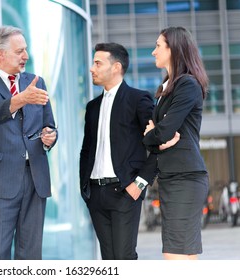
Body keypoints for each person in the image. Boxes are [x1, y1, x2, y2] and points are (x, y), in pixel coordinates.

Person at [0, 25, 57, 260]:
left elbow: (49, 124)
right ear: (1, 54)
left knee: (31, 256)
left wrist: (50, 137)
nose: (26, 56)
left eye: (25, 50)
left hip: (35, 179)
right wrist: (20, 99)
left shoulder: (37, 82)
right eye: (20, 51)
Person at [79, 43, 157, 260]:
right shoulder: (92, 107)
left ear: (116, 67)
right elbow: (86, 151)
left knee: (124, 258)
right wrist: (85, 188)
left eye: (97, 63)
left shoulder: (138, 99)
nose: (92, 68)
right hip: (96, 194)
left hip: (124, 192)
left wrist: (140, 184)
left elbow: (158, 145)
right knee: (109, 260)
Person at [143, 26, 209, 260]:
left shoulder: (187, 84)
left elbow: (160, 133)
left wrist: (153, 136)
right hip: (173, 177)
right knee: (186, 255)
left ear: (174, 49)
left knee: (174, 255)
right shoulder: (166, 87)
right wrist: (156, 138)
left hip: (186, 178)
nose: (153, 52)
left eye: (158, 46)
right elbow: (158, 136)